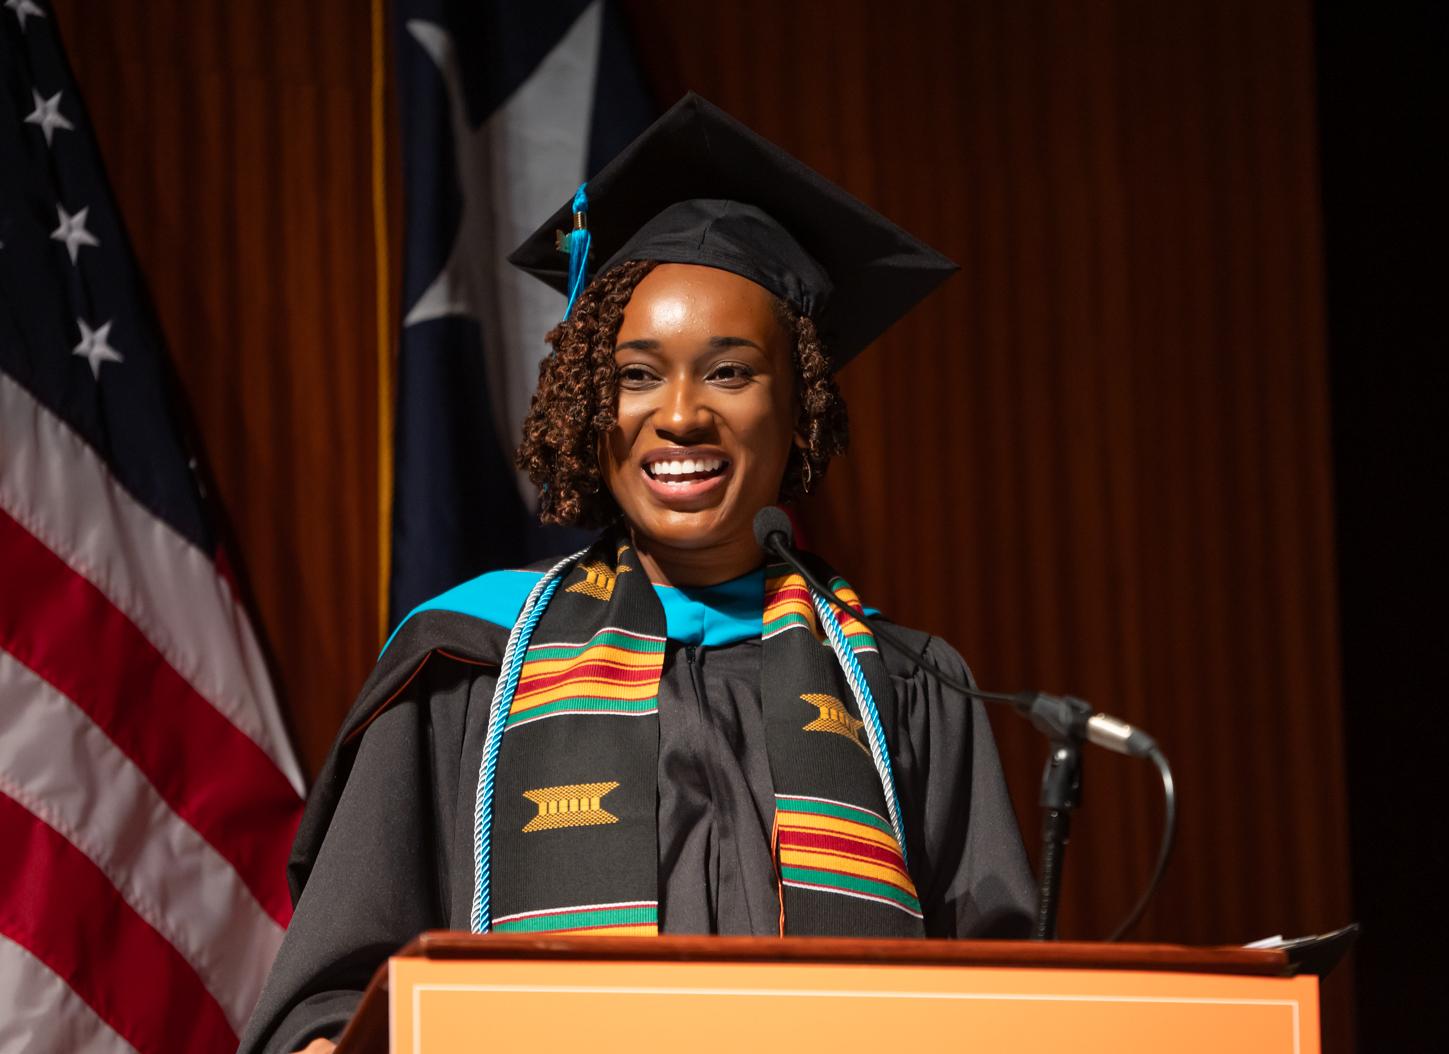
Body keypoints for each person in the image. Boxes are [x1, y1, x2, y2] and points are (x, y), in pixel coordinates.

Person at [239, 93, 1034, 1054]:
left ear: (800, 408)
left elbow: (1007, 1005)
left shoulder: (906, 690)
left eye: (730, 372)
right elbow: (328, 1003)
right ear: (588, 402)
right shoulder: (468, 670)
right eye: (636, 374)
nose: (681, 415)